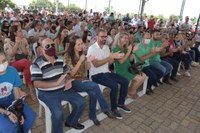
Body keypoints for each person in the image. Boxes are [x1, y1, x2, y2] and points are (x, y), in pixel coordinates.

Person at [30, 38, 86, 133]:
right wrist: (55, 83)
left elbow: (67, 73)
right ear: (41, 49)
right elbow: (36, 83)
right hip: (47, 93)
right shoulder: (36, 63)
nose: (51, 47)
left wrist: (68, 80)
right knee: (58, 114)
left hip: (63, 89)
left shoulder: (60, 59)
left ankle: (71, 122)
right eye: (47, 46)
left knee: (81, 102)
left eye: (53, 45)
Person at [65, 36, 114, 125]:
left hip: (84, 80)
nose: (81, 46)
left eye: (81, 44)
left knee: (93, 93)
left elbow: (87, 68)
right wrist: (80, 61)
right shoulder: (68, 55)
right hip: (73, 82)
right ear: (73, 46)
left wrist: (88, 61)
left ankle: (93, 116)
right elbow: (71, 73)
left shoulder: (82, 53)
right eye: (78, 44)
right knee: (95, 86)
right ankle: (105, 109)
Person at [87, 29, 131, 120]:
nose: (104, 38)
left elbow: (109, 63)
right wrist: (110, 58)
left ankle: (121, 103)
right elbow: (96, 64)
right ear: (96, 37)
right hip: (96, 74)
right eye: (102, 36)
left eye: (105, 36)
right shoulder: (92, 48)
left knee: (125, 81)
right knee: (114, 86)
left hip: (106, 72)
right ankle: (114, 108)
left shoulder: (106, 47)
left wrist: (114, 58)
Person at [0, 51, 36, 133]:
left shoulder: (12, 71)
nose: (2, 65)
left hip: (10, 99)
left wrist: (18, 111)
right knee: (7, 127)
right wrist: (7, 113)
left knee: (30, 117)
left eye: (3, 61)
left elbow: (16, 93)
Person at [4, 25, 36, 101]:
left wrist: (21, 44)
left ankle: (31, 91)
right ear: (15, 33)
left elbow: (28, 53)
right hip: (13, 63)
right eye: (20, 31)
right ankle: (32, 89)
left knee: (27, 67)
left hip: (24, 62)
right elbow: (11, 54)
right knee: (27, 63)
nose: (22, 32)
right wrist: (17, 43)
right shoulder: (7, 40)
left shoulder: (24, 39)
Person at [112, 32, 147, 99]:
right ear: (119, 39)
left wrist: (133, 51)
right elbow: (121, 62)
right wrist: (129, 51)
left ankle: (131, 90)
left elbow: (130, 60)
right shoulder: (116, 49)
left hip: (129, 68)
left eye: (127, 38)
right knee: (139, 78)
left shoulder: (125, 48)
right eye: (125, 38)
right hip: (121, 70)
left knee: (144, 76)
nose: (126, 39)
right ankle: (131, 92)